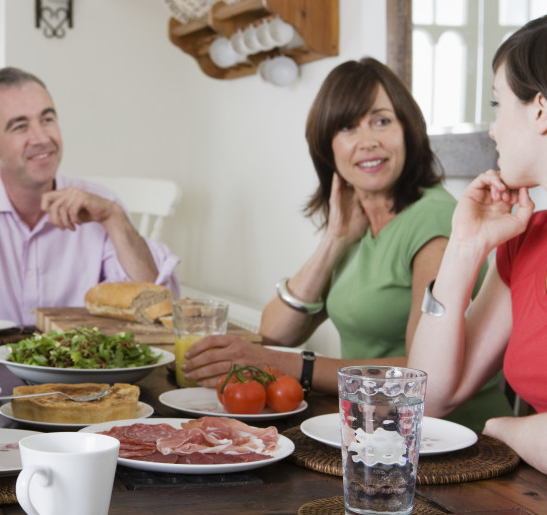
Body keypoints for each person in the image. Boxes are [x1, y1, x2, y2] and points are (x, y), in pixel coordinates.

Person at [182, 57, 512, 432]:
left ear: (409, 130)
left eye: (382, 121)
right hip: (372, 428)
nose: (368, 141)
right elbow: (276, 330)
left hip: (449, 440)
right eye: (347, 127)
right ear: (327, 146)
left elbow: (423, 375)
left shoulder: (434, 220)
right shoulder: (354, 224)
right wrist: (335, 240)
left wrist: (291, 365)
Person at [0, 67, 180, 327]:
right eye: (20, 126)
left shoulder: (102, 205)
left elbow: (156, 307)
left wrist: (114, 218)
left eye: (47, 119)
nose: (42, 138)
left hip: (79, 365)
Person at [409, 16, 547, 473]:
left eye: (497, 102)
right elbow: (429, 397)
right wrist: (465, 248)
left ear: (540, 109)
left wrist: (505, 429)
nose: (492, 129)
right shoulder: (526, 242)